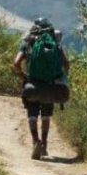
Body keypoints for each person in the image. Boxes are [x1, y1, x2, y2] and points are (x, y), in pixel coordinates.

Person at [12, 17, 69, 160]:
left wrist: (24, 77)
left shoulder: (29, 43)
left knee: (32, 115)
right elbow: (67, 64)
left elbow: (16, 63)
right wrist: (61, 78)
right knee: (46, 116)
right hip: (51, 86)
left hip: (32, 86)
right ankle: (44, 145)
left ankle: (35, 141)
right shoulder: (55, 44)